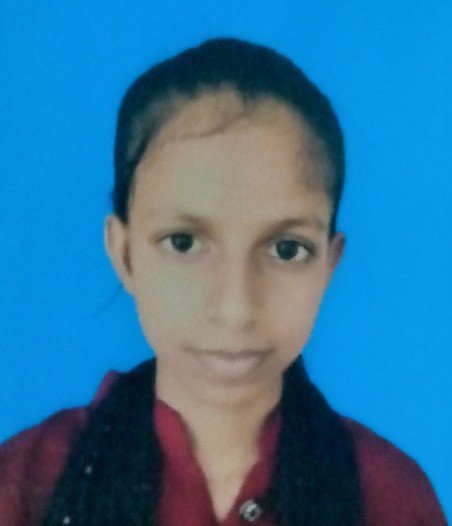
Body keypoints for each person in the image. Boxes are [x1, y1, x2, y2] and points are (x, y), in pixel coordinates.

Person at [0, 37, 447, 526]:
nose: (236, 308)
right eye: (184, 242)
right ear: (124, 255)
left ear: (328, 264)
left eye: (286, 249)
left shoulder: (391, 497)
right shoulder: (26, 481)